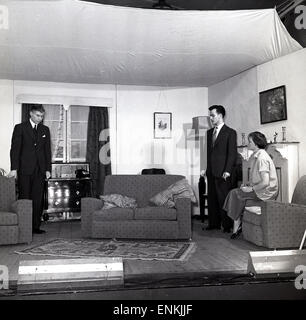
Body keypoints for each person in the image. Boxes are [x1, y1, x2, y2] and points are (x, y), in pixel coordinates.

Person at [223, 131, 278, 239]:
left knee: (235, 194)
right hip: (260, 189)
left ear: (256, 143)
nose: (248, 144)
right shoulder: (257, 155)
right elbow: (259, 178)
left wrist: (251, 188)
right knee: (235, 192)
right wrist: (248, 184)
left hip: (266, 193)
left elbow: (266, 182)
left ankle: (236, 223)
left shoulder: (262, 158)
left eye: (250, 141)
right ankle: (237, 221)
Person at [9, 105, 51, 234]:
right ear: (31, 114)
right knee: (25, 199)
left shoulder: (45, 130)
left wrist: (47, 169)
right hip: (24, 170)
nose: (40, 118)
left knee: (37, 200)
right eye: (38, 115)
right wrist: (14, 168)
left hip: (39, 171)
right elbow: (15, 150)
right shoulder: (20, 128)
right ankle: (24, 227)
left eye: (42, 116)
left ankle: (35, 227)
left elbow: (47, 151)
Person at [205, 105, 237, 233]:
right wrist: (206, 169)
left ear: (220, 115)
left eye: (212, 115)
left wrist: (227, 170)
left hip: (224, 172)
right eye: (210, 116)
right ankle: (213, 224)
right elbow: (208, 154)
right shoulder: (208, 133)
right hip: (211, 171)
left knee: (223, 199)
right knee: (212, 198)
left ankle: (227, 226)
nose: (210, 118)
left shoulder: (230, 132)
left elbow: (232, 154)